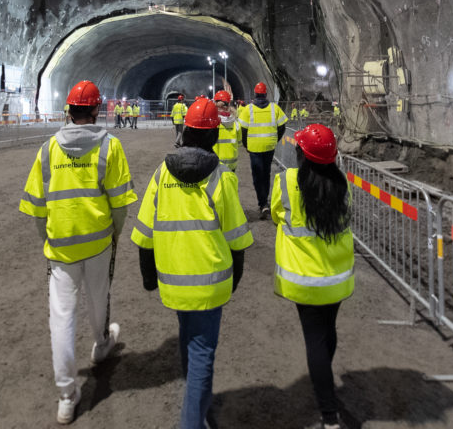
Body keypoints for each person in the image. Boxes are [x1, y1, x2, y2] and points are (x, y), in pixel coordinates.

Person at [19, 80, 137, 425]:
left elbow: (38, 208)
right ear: (97, 110)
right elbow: (119, 205)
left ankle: (67, 395)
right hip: (99, 242)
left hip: (60, 247)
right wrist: (114, 235)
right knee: (99, 300)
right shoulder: (110, 147)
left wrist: (49, 240)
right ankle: (101, 345)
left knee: (62, 319)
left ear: (68, 111)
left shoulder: (47, 150)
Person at [131, 98, 253, 429]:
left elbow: (144, 234)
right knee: (202, 354)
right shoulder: (221, 178)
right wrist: (235, 280)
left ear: (184, 132)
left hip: (173, 281)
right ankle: (192, 419)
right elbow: (237, 239)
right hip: (211, 283)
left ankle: (196, 403)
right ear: (214, 136)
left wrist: (148, 278)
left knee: (188, 339)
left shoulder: (161, 175)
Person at [271, 124, 354, 429]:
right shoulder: (342, 183)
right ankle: (325, 378)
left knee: (315, 341)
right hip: (337, 277)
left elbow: (278, 214)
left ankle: (329, 416)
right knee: (327, 331)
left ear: (300, 154)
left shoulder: (286, 181)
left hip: (304, 279)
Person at [239, 82, 287, 220]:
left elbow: (244, 129)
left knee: (257, 175)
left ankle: (262, 203)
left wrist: (246, 144)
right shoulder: (274, 108)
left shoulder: (248, 109)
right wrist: (275, 139)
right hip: (269, 147)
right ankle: (264, 201)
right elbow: (282, 126)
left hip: (254, 147)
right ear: (266, 94)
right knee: (266, 174)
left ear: (255, 94)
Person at [213, 90, 240, 174]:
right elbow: (239, 142)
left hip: (216, 163)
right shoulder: (236, 123)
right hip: (232, 163)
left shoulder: (213, 123)